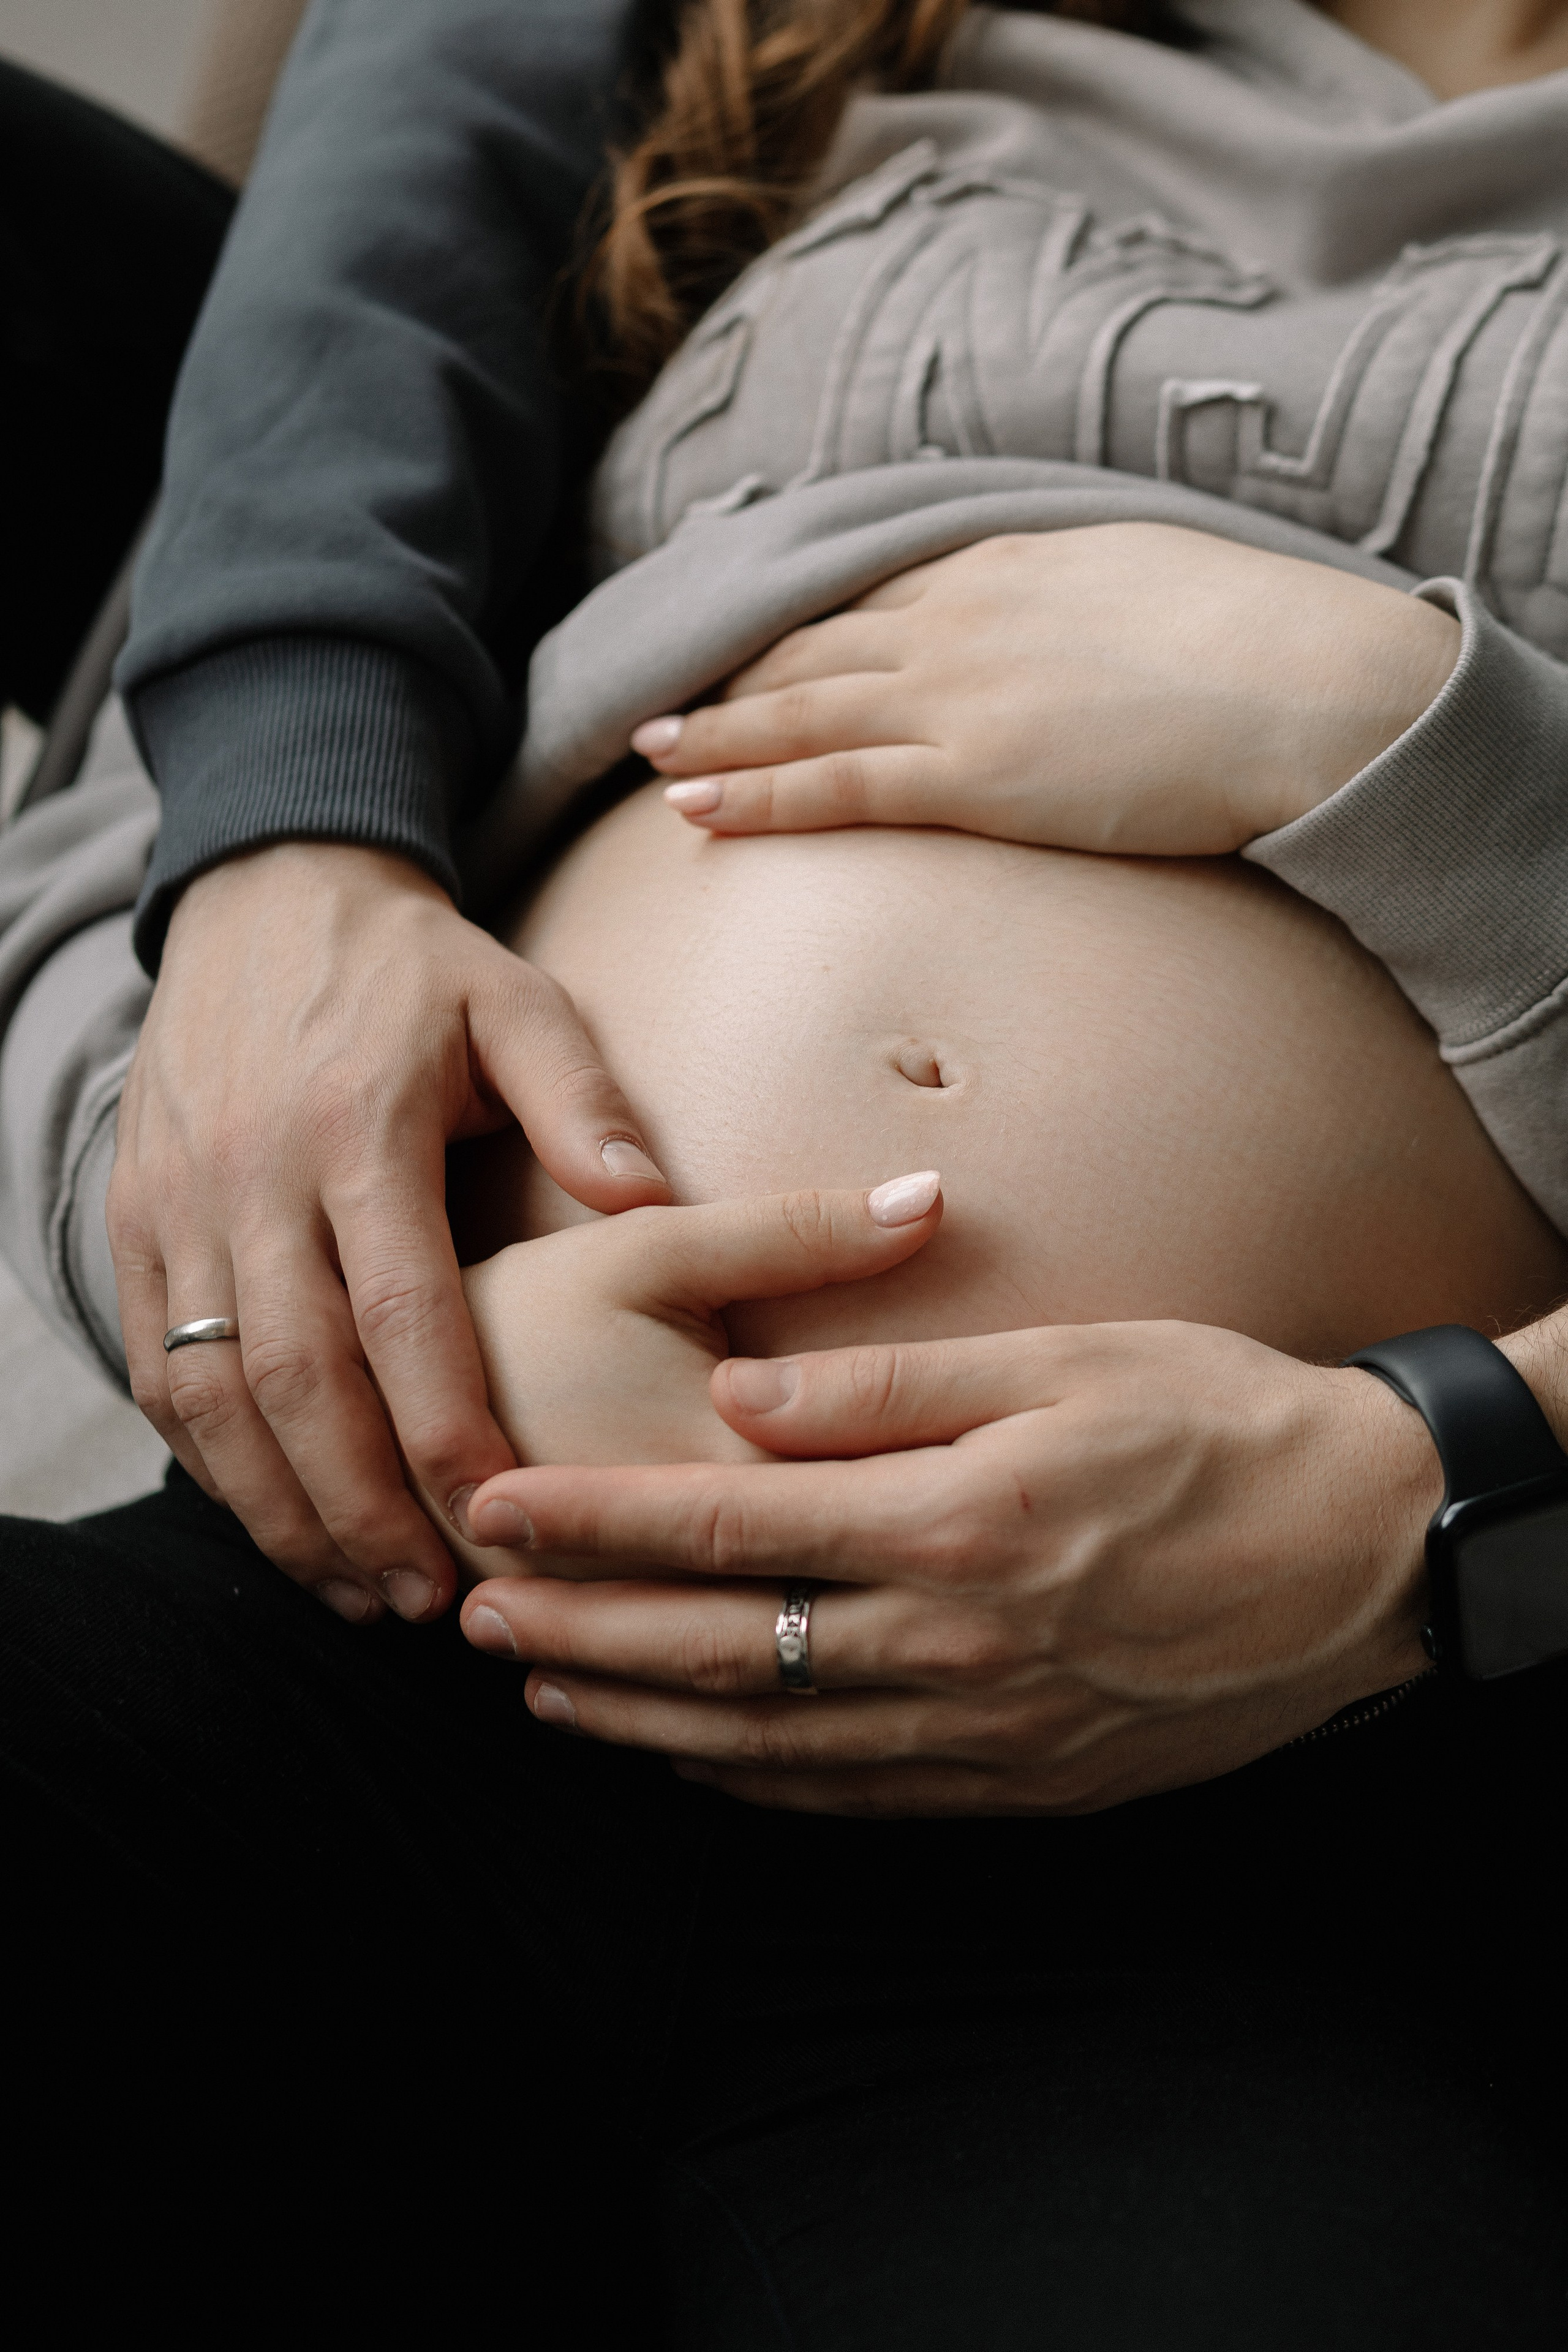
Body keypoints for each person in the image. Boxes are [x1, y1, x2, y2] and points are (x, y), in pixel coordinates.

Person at [4, 2, 1568, 2341]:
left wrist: (1454, 1483)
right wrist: (319, 1316)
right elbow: (186, 827)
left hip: (1279, 1803)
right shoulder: (771, 51)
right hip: (389, 1603)